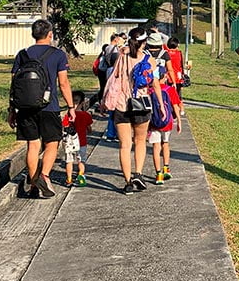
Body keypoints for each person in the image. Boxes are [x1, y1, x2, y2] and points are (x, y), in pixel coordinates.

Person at [8, 19, 74, 199]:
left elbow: (14, 84)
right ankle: (44, 175)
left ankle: (33, 184)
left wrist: (11, 109)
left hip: (25, 107)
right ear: (50, 34)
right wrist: (70, 106)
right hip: (49, 106)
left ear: (33, 34)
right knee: (52, 143)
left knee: (33, 144)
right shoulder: (58, 55)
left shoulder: (22, 54)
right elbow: (63, 83)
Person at [105, 27, 168, 194]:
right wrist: (161, 105)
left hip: (121, 105)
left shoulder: (122, 57)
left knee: (125, 145)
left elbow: (114, 77)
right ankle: (138, 173)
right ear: (144, 42)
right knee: (140, 141)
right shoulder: (149, 60)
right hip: (141, 104)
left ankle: (127, 182)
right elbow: (155, 84)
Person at [62, 91, 93, 187]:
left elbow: (64, 126)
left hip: (69, 142)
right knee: (81, 161)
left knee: (69, 161)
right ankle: (80, 175)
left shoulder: (68, 115)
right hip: (82, 142)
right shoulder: (86, 115)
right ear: (83, 102)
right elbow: (89, 128)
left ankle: (69, 179)